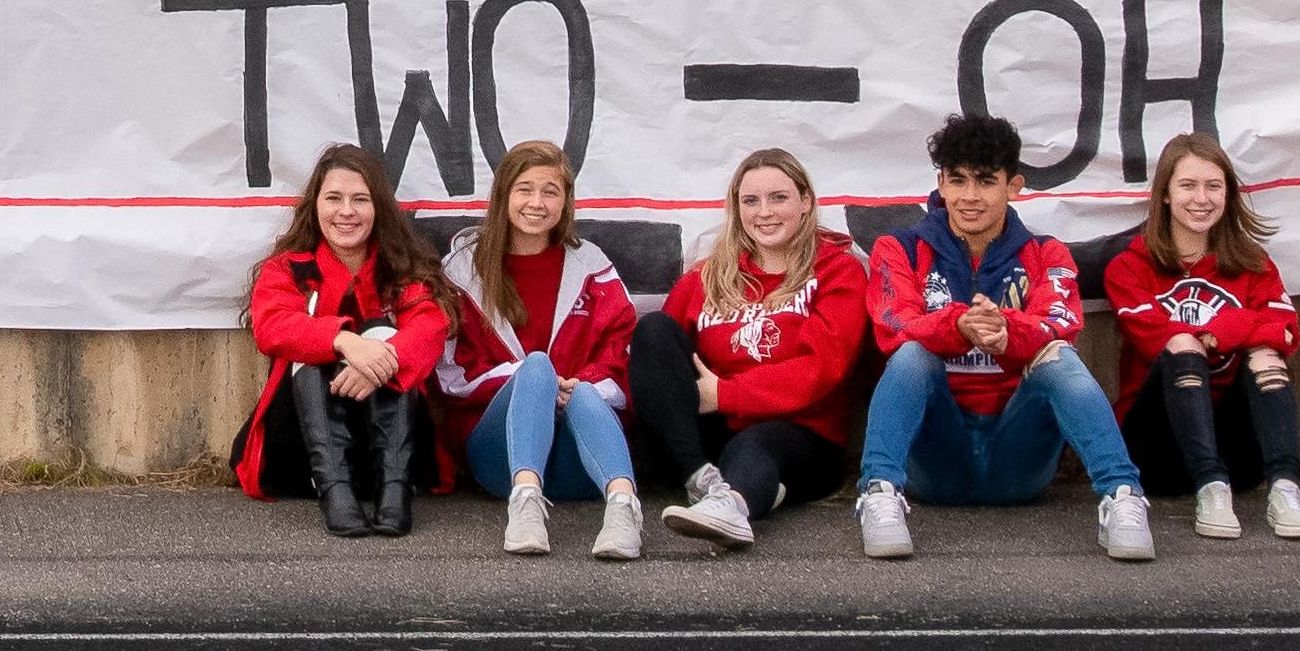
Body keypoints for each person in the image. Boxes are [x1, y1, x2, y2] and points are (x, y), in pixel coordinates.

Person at [850, 112, 1160, 564]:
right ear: (941, 183)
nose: (969, 197)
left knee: (1059, 356)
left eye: (985, 181)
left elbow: (1061, 324)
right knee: (911, 355)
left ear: (1013, 186)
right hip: (938, 461)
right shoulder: (899, 249)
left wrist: (1006, 332)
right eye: (957, 181)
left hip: (1019, 463)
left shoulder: (1045, 252)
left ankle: (1123, 496)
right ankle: (878, 493)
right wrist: (957, 326)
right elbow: (894, 326)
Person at [635, 148, 872, 551]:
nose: (765, 212)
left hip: (802, 435)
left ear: (806, 203)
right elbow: (658, 361)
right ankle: (702, 481)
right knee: (654, 329)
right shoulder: (708, 275)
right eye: (751, 200)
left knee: (757, 444)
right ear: (736, 208)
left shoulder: (838, 271)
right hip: (709, 436)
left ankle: (733, 510)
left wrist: (723, 394)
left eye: (779, 198)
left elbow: (822, 369)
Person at [1105, 130, 1300, 543]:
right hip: (1157, 449)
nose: (1201, 198)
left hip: (1238, 450)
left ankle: (1286, 488)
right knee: (1182, 349)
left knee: (1266, 355)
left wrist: (1219, 333)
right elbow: (1158, 339)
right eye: (1187, 185)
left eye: (1213, 186)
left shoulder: (1253, 264)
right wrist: (1219, 331)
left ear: (1228, 194)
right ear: (1164, 194)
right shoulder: (1129, 268)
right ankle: (1210, 490)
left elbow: (1285, 331)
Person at [440, 140, 647, 562]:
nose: (537, 202)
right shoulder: (463, 268)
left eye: (550, 191)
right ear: (503, 196)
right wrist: (531, 382)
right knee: (535, 368)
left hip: (580, 461)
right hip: (498, 458)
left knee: (587, 391)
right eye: (525, 189)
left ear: (566, 201)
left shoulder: (591, 265)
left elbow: (621, 348)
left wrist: (578, 388)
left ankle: (624, 507)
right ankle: (526, 504)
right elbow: (451, 374)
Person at [235, 142, 451, 539]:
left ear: (379, 208)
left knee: (384, 333)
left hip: (388, 439)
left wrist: (380, 358)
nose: (346, 212)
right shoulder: (287, 268)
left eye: (360, 199)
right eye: (334, 198)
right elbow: (273, 326)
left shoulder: (403, 268)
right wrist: (345, 343)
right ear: (315, 205)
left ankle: (395, 489)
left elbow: (430, 326)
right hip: (301, 450)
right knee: (313, 344)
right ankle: (334, 490)